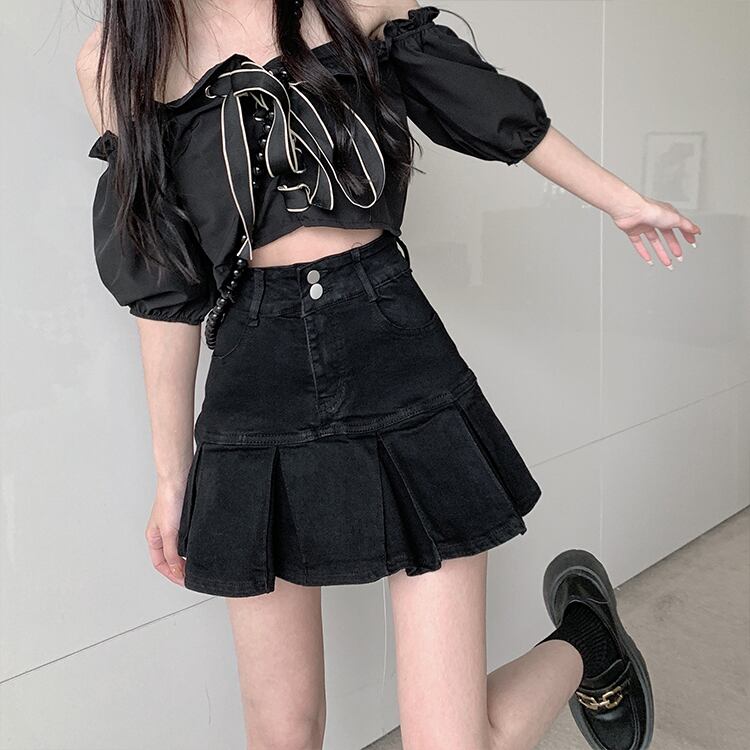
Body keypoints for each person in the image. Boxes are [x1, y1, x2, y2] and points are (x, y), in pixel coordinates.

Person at [76, 1, 699, 748]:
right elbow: (162, 292)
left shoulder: (351, 4)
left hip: (392, 344)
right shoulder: (116, 58)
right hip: (253, 375)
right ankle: (591, 639)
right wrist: (172, 477)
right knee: (282, 733)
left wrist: (624, 201)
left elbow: (487, 109)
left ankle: (588, 641)